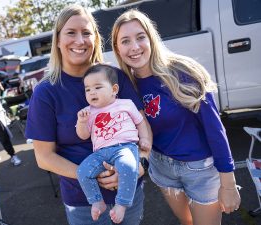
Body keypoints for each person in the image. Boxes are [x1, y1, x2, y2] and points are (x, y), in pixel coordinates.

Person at [111, 9, 241, 225]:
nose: (134, 47)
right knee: (187, 222)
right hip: (162, 168)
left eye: (140, 37)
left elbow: (215, 129)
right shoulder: (125, 85)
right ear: (117, 48)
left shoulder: (184, 71)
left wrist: (228, 183)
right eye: (125, 41)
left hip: (200, 168)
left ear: (151, 38)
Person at [25, 5, 151, 225]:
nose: (80, 41)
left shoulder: (115, 77)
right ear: (57, 39)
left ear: (95, 38)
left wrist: (139, 166)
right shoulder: (46, 92)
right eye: (71, 33)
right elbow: (44, 157)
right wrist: (94, 177)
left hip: (129, 194)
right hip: (84, 204)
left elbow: (143, 125)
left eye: (86, 33)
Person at [76, 64, 151, 223]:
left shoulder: (126, 104)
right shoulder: (88, 112)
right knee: (82, 171)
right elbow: (83, 135)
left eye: (97, 87)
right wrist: (82, 122)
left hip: (124, 148)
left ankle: (121, 204)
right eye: (87, 89)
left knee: (128, 166)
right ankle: (97, 201)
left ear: (114, 89)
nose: (92, 92)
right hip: (100, 153)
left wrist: (144, 138)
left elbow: (140, 122)